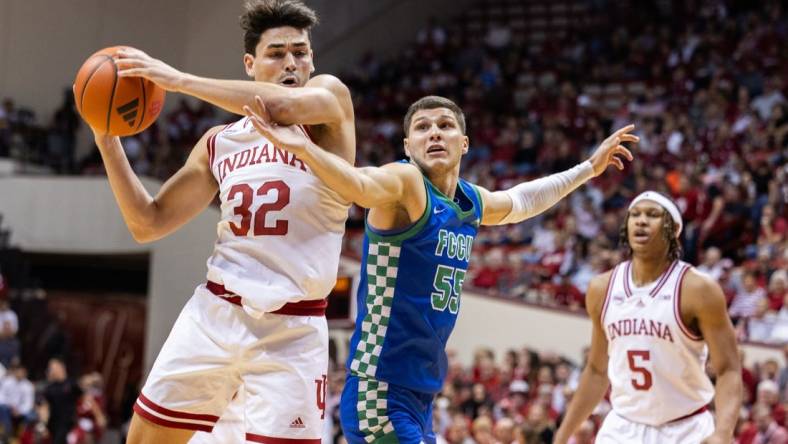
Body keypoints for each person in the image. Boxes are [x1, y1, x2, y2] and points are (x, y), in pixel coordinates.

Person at [244, 94, 636, 443]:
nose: (434, 133)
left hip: (420, 393)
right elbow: (360, 186)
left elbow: (522, 200)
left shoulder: (468, 200)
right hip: (379, 388)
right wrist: (306, 150)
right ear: (407, 145)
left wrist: (588, 168)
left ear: (463, 143)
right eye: (422, 127)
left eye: (445, 126)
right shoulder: (405, 181)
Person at [76, 0, 355, 442]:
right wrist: (106, 138)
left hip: (292, 329)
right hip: (216, 312)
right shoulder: (218, 143)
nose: (291, 62)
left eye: (300, 52)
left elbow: (279, 106)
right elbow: (147, 223)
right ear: (250, 64)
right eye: (277, 52)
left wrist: (178, 80)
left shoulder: (328, 106)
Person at [554, 192, 742, 444]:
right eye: (635, 215)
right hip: (623, 428)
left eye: (652, 215)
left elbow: (728, 369)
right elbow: (597, 371)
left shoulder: (698, 290)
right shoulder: (602, 288)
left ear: (674, 229)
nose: (641, 221)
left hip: (686, 428)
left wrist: (722, 432)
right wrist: (562, 436)